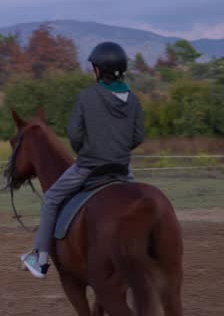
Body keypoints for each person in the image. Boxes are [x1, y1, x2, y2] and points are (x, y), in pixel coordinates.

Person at [21, 41, 144, 278]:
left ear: (99, 70)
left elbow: (75, 135)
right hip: (122, 170)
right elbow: (138, 136)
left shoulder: (87, 97)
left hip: (89, 166)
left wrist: (85, 151)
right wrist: (118, 150)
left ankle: (40, 258)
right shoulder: (134, 99)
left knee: (52, 198)